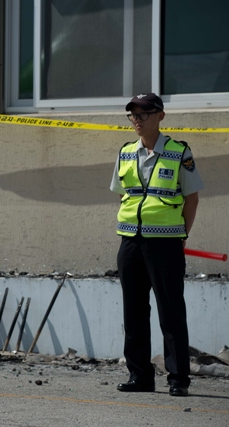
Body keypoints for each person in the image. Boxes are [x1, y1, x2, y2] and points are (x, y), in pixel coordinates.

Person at [110, 93, 204, 397]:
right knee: (133, 312)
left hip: (165, 244)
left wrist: (181, 233)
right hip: (130, 243)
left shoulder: (179, 152)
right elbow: (122, 193)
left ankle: (178, 378)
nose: (137, 120)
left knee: (170, 311)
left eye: (144, 114)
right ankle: (140, 376)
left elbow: (192, 197)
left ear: (160, 116)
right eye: (133, 115)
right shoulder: (125, 152)